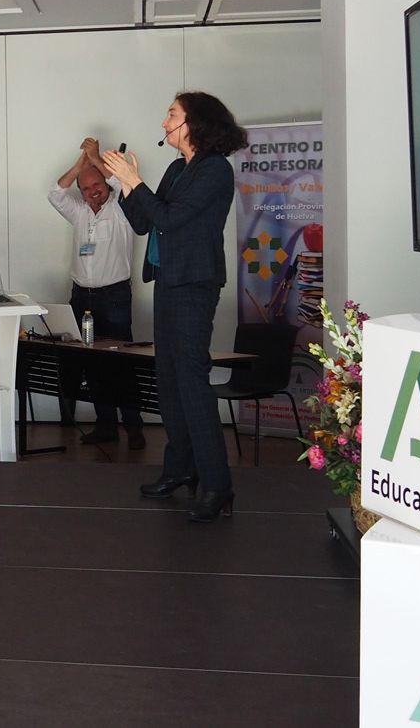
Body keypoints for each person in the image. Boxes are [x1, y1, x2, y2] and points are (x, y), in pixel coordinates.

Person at [102, 92, 248, 523]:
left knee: (191, 382)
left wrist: (135, 182)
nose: (164, 121)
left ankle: (218, 485)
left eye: (172, 114)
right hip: (168, 283)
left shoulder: (215, 170)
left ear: (194, 123)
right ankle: (180, 469)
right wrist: (128, 185)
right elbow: (146, 221)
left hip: (194, 286)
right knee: (168, 381)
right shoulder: (175, 168)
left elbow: (169, 219)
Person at [50, 137, 145, 449]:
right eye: (88, 185)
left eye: (99, 183)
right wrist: (81, 165)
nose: (95, 189)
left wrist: (93, 155)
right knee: (93, 365)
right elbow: (55, 193)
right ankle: (106, 426)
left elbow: (122, 179)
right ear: (82, 190)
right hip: (81, 298)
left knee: (122, 363)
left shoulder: (121, 207)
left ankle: (134, 428)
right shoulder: (78, 212)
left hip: (114, 297)